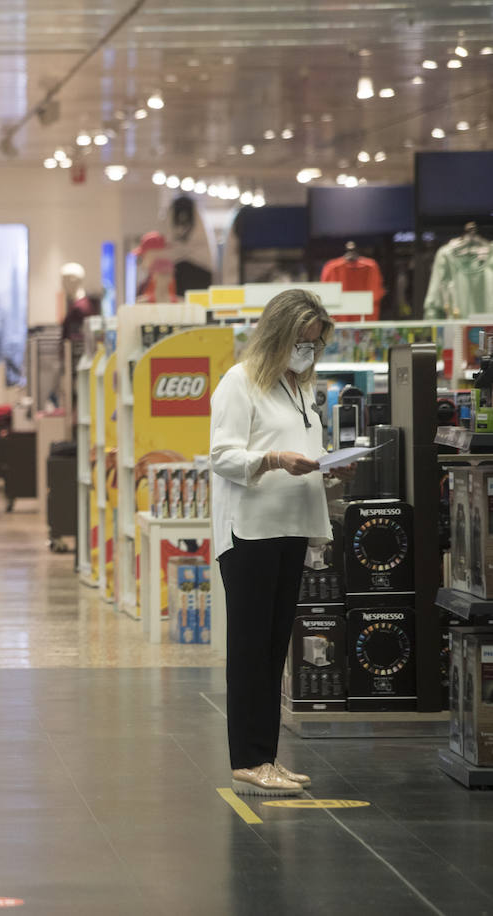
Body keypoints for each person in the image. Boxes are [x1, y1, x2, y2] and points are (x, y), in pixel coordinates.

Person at [210, 288, 347, 797]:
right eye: (302, 340)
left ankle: (265, 757)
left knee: (272, 650)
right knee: (250, 649)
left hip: (290, 526)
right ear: (279, 334)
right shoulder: (239, 382)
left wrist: (328, 467)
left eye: (315, 343)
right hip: (250, 532)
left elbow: (304, 448)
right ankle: (247, 759)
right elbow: (222, 456)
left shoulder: (298, 387)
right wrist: (271, 460)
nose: (308, 351)